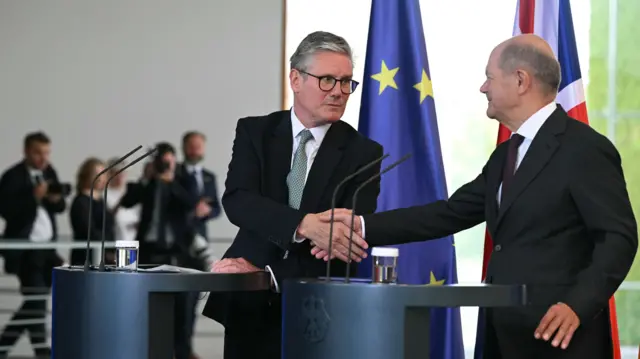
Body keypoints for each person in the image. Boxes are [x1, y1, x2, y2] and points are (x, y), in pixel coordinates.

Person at [312, 34, 638, 359]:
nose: (484, 88)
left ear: (521, 80)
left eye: (490, 78)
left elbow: (618, 238)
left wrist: (576, 306)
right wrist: (361, 225)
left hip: (559, 338)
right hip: (500, 332)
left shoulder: (584, 149)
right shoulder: (506, 155)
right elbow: (450, 213)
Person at [202, 31, 383, 359]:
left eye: (346, 82)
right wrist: (304, 225)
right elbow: (239, 200)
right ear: (296, 79)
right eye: (327, 80)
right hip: (247, 301)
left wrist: (267, 275)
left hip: (318, 305)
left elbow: (342, 242)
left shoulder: (364, 153)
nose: (339, 92)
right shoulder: (255, 131)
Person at [116, 142, 198, 359]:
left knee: (182, 306)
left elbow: (191, 204)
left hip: (177, 252)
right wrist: (147, 178)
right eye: (161, 162)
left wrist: (171, 181)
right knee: (146, 304)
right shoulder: (148, 182)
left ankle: (182, 351)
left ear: (174, 161)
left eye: (168, 161)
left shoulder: (182, 180)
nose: (164, 165)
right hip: (148, 251)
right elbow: (127, 201)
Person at [0, 132, 67, 358]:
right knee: (37, 300)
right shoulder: (12, 176)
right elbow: (6, 211)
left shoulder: (49, 172)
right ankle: (43, 353)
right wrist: (34, 197)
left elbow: (60, 208)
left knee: (35, 303)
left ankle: (5, 347)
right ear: (27, 151)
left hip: (47, 250)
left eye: (47, 153)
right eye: (38, 153)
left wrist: (54, 200)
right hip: (25, 251)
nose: (43, 158)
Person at [69, 157, 115, 266]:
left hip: (105, 256)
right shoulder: (81, 202)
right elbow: (88, 230)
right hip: (87, 257)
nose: (102, 179)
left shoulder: (101, 200)